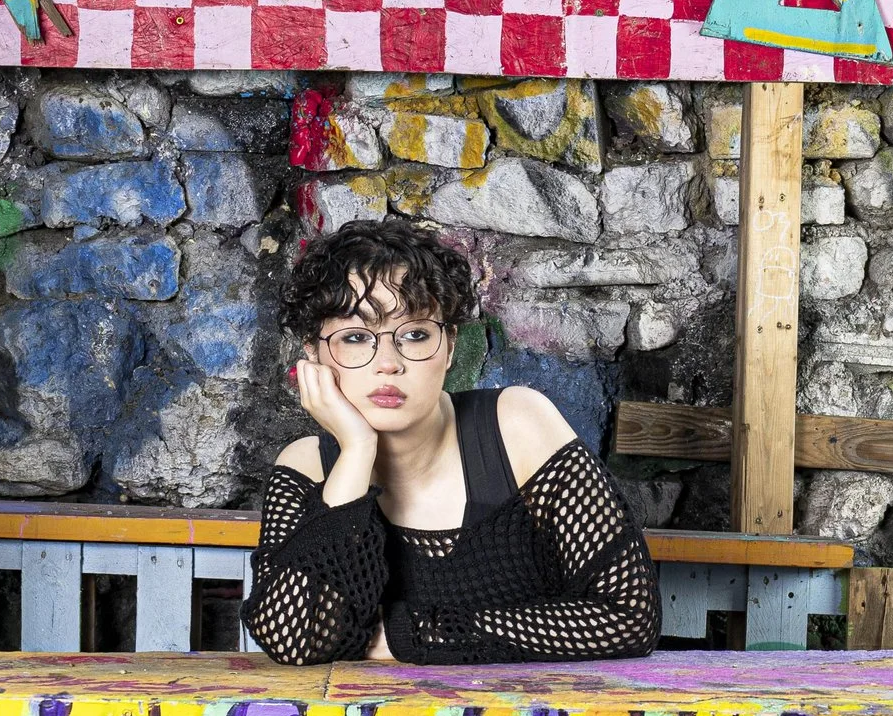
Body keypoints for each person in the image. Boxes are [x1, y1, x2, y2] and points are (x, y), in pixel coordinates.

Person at [244, 218, 662, 666]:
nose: (388, 363)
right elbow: (297, 641)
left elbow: (629, 618)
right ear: (314, 353)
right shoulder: (307, 466)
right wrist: (356, 451)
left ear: (449, 346)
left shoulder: (517, 425)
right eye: (354, 337)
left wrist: (414, 634)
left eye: (415, 335)